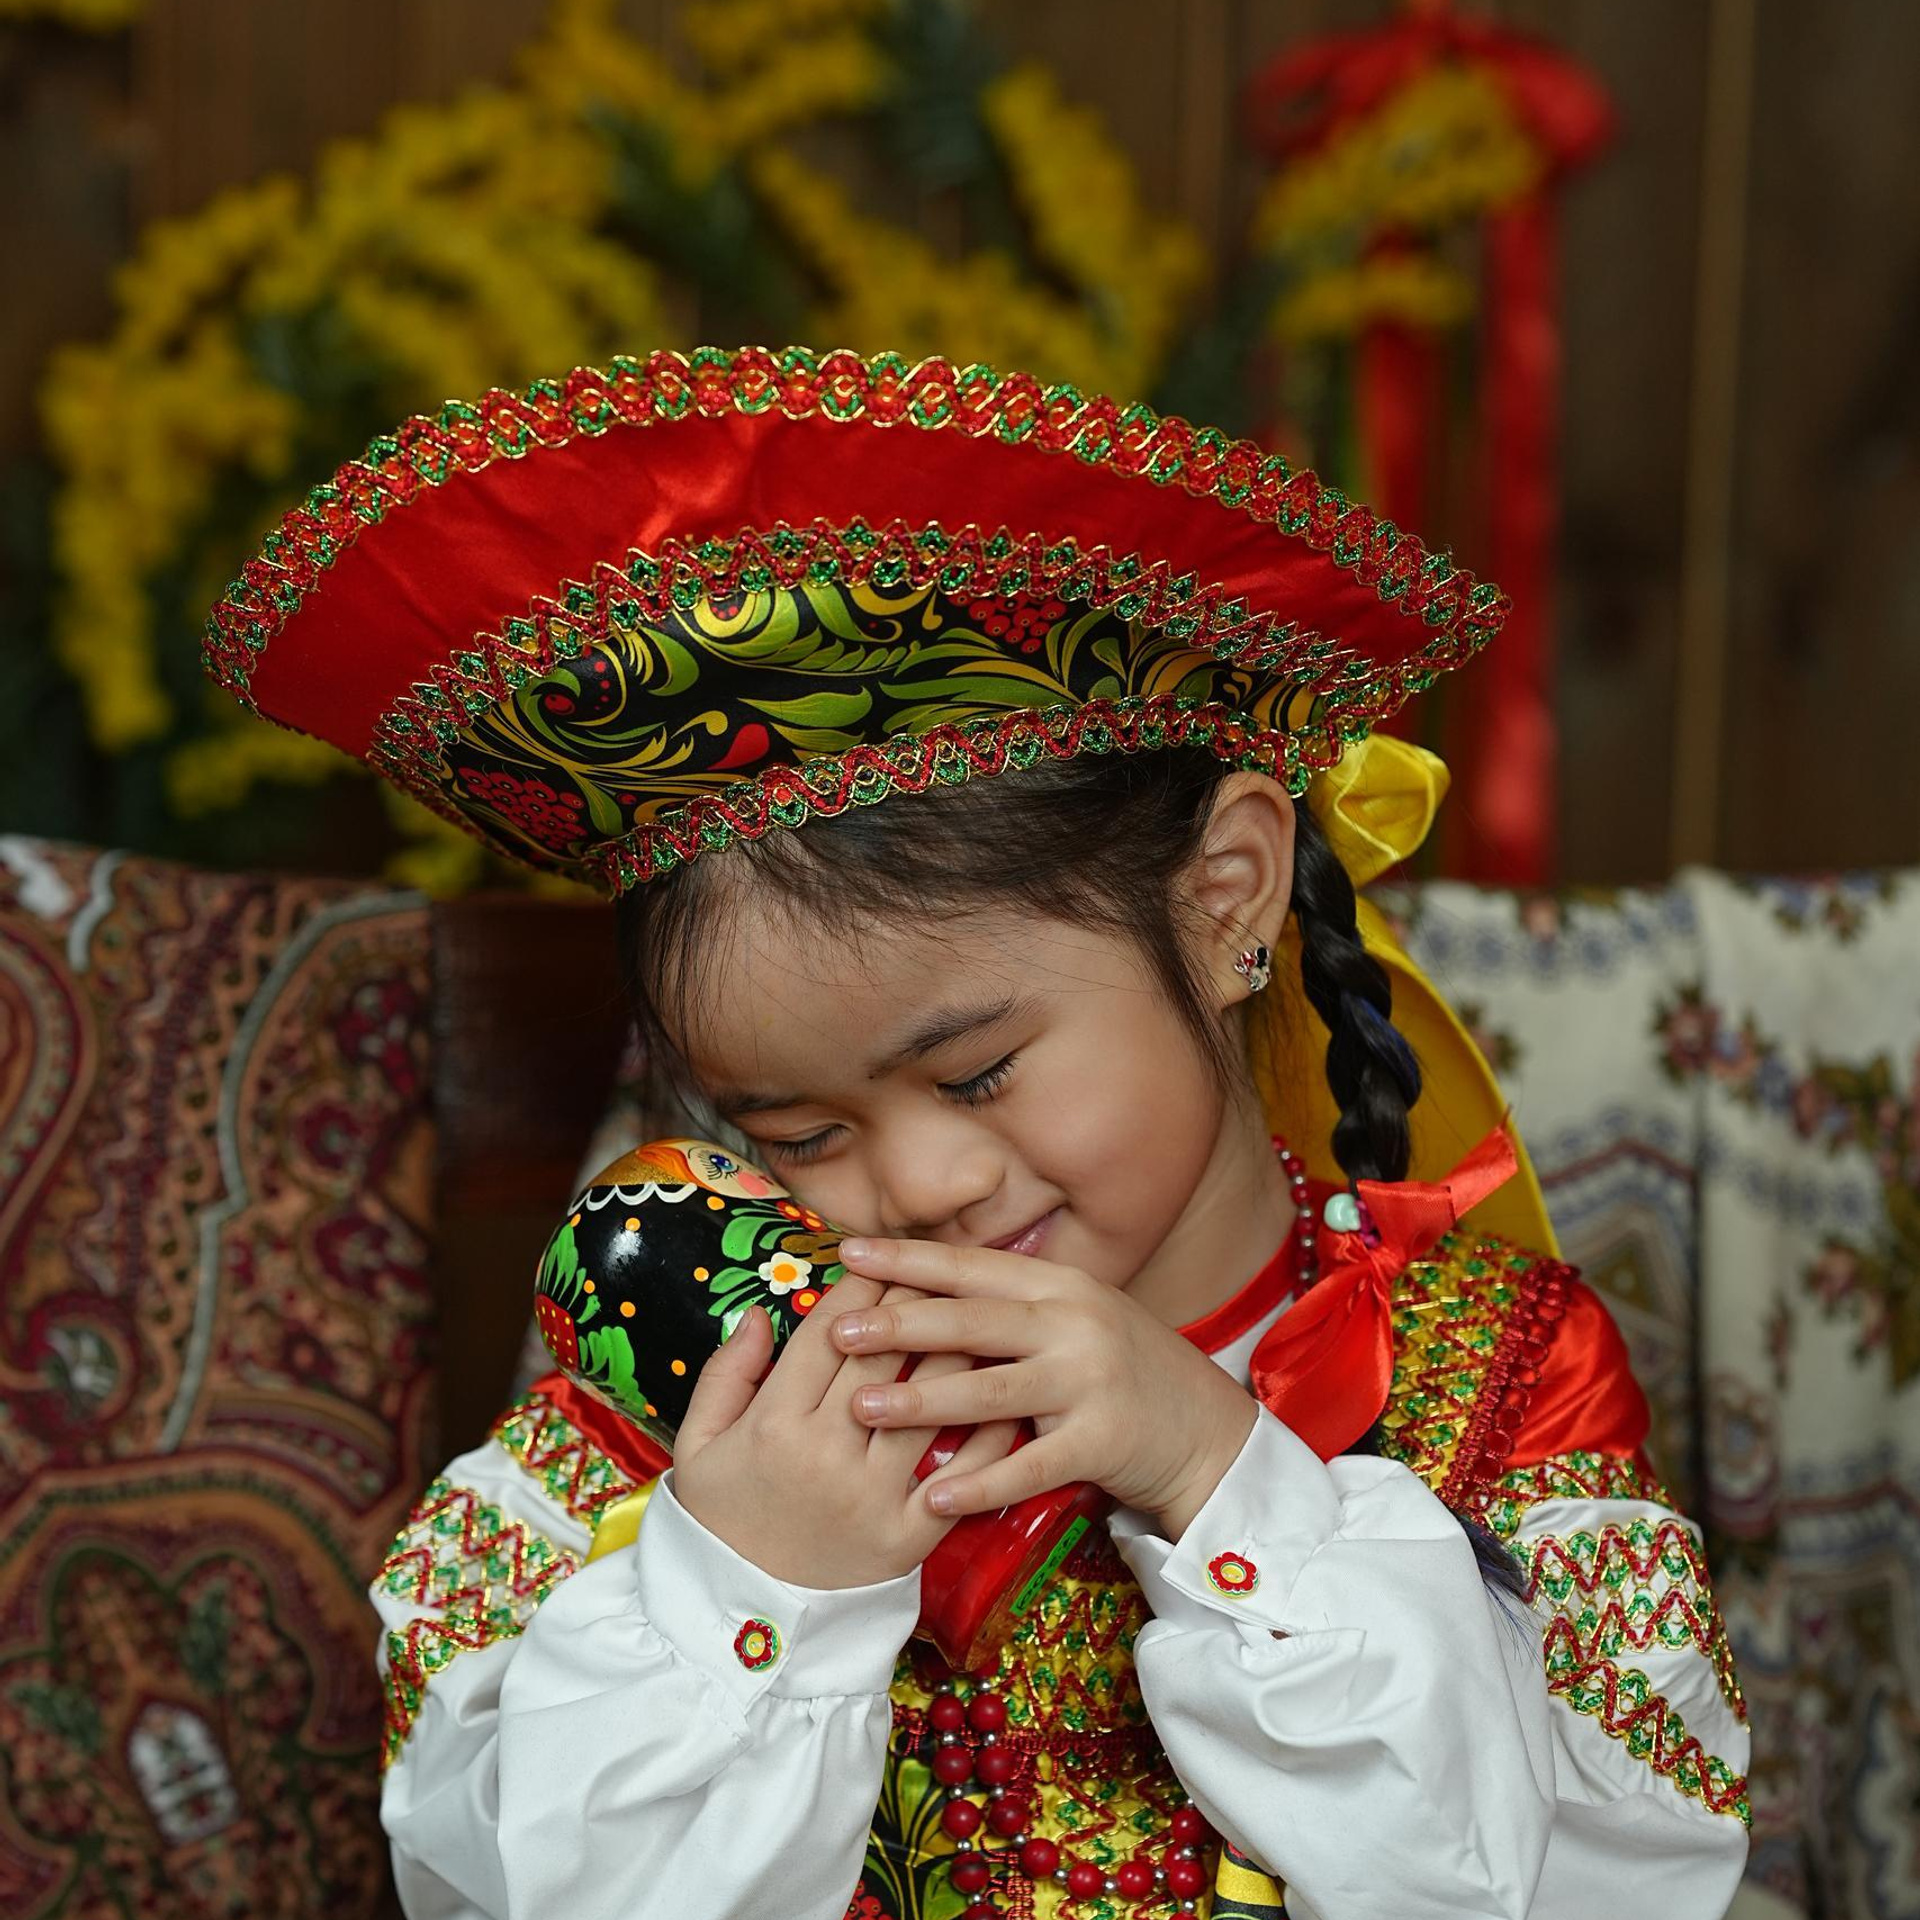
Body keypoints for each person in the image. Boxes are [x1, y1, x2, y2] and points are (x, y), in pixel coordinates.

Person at [205, 345, 1751, 1919]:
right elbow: (498, 1885)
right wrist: (756, 1586)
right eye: (795, 1129)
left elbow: (1602, 1882)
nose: (915, 1187)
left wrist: (1221, 1477)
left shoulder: (1496, 1380)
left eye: (979, 1073)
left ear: (1226, 898)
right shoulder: (676, 1420)